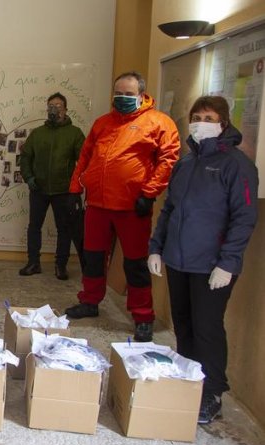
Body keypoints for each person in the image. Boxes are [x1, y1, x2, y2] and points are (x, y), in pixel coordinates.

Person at [147, 96, 258, 424]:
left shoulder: (237, 165)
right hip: (178, 260)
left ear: (223, 122)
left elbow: (244, 217)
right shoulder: (185, 163)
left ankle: (212, 393)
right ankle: (188, 380)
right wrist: (156, 247)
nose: (200, 123)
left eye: (208, 118)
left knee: (207, 328)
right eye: (196, 117)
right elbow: (169, 209)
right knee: (183, 324)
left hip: (212, 265)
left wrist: (228, 262)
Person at [64, 71, 180, 343]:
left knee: (135, 263)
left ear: (141, 95)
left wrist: (149, 193)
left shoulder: (159, 122)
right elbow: (85, 156)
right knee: (93, 257)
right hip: (98, 204)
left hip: (132, 207)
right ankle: (90, 301)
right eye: (118, 93)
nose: (122, 97)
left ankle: (143, 316)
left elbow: (168, 160)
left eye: (128, 94)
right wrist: (74, 189)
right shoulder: (102, 123)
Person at [18, 92, 86, 280]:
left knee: (64, 229)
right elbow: (25, 158)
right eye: (50, 106)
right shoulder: (38, 133)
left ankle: (61, 265)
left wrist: (75, 186)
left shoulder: (75, 134)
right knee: (34, 227)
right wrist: (29, 178)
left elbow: (83, 161)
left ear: (65, 109)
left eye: (58, 106)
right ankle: (33, 263)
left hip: (63, 190)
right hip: (38, 189)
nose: (53, 109)